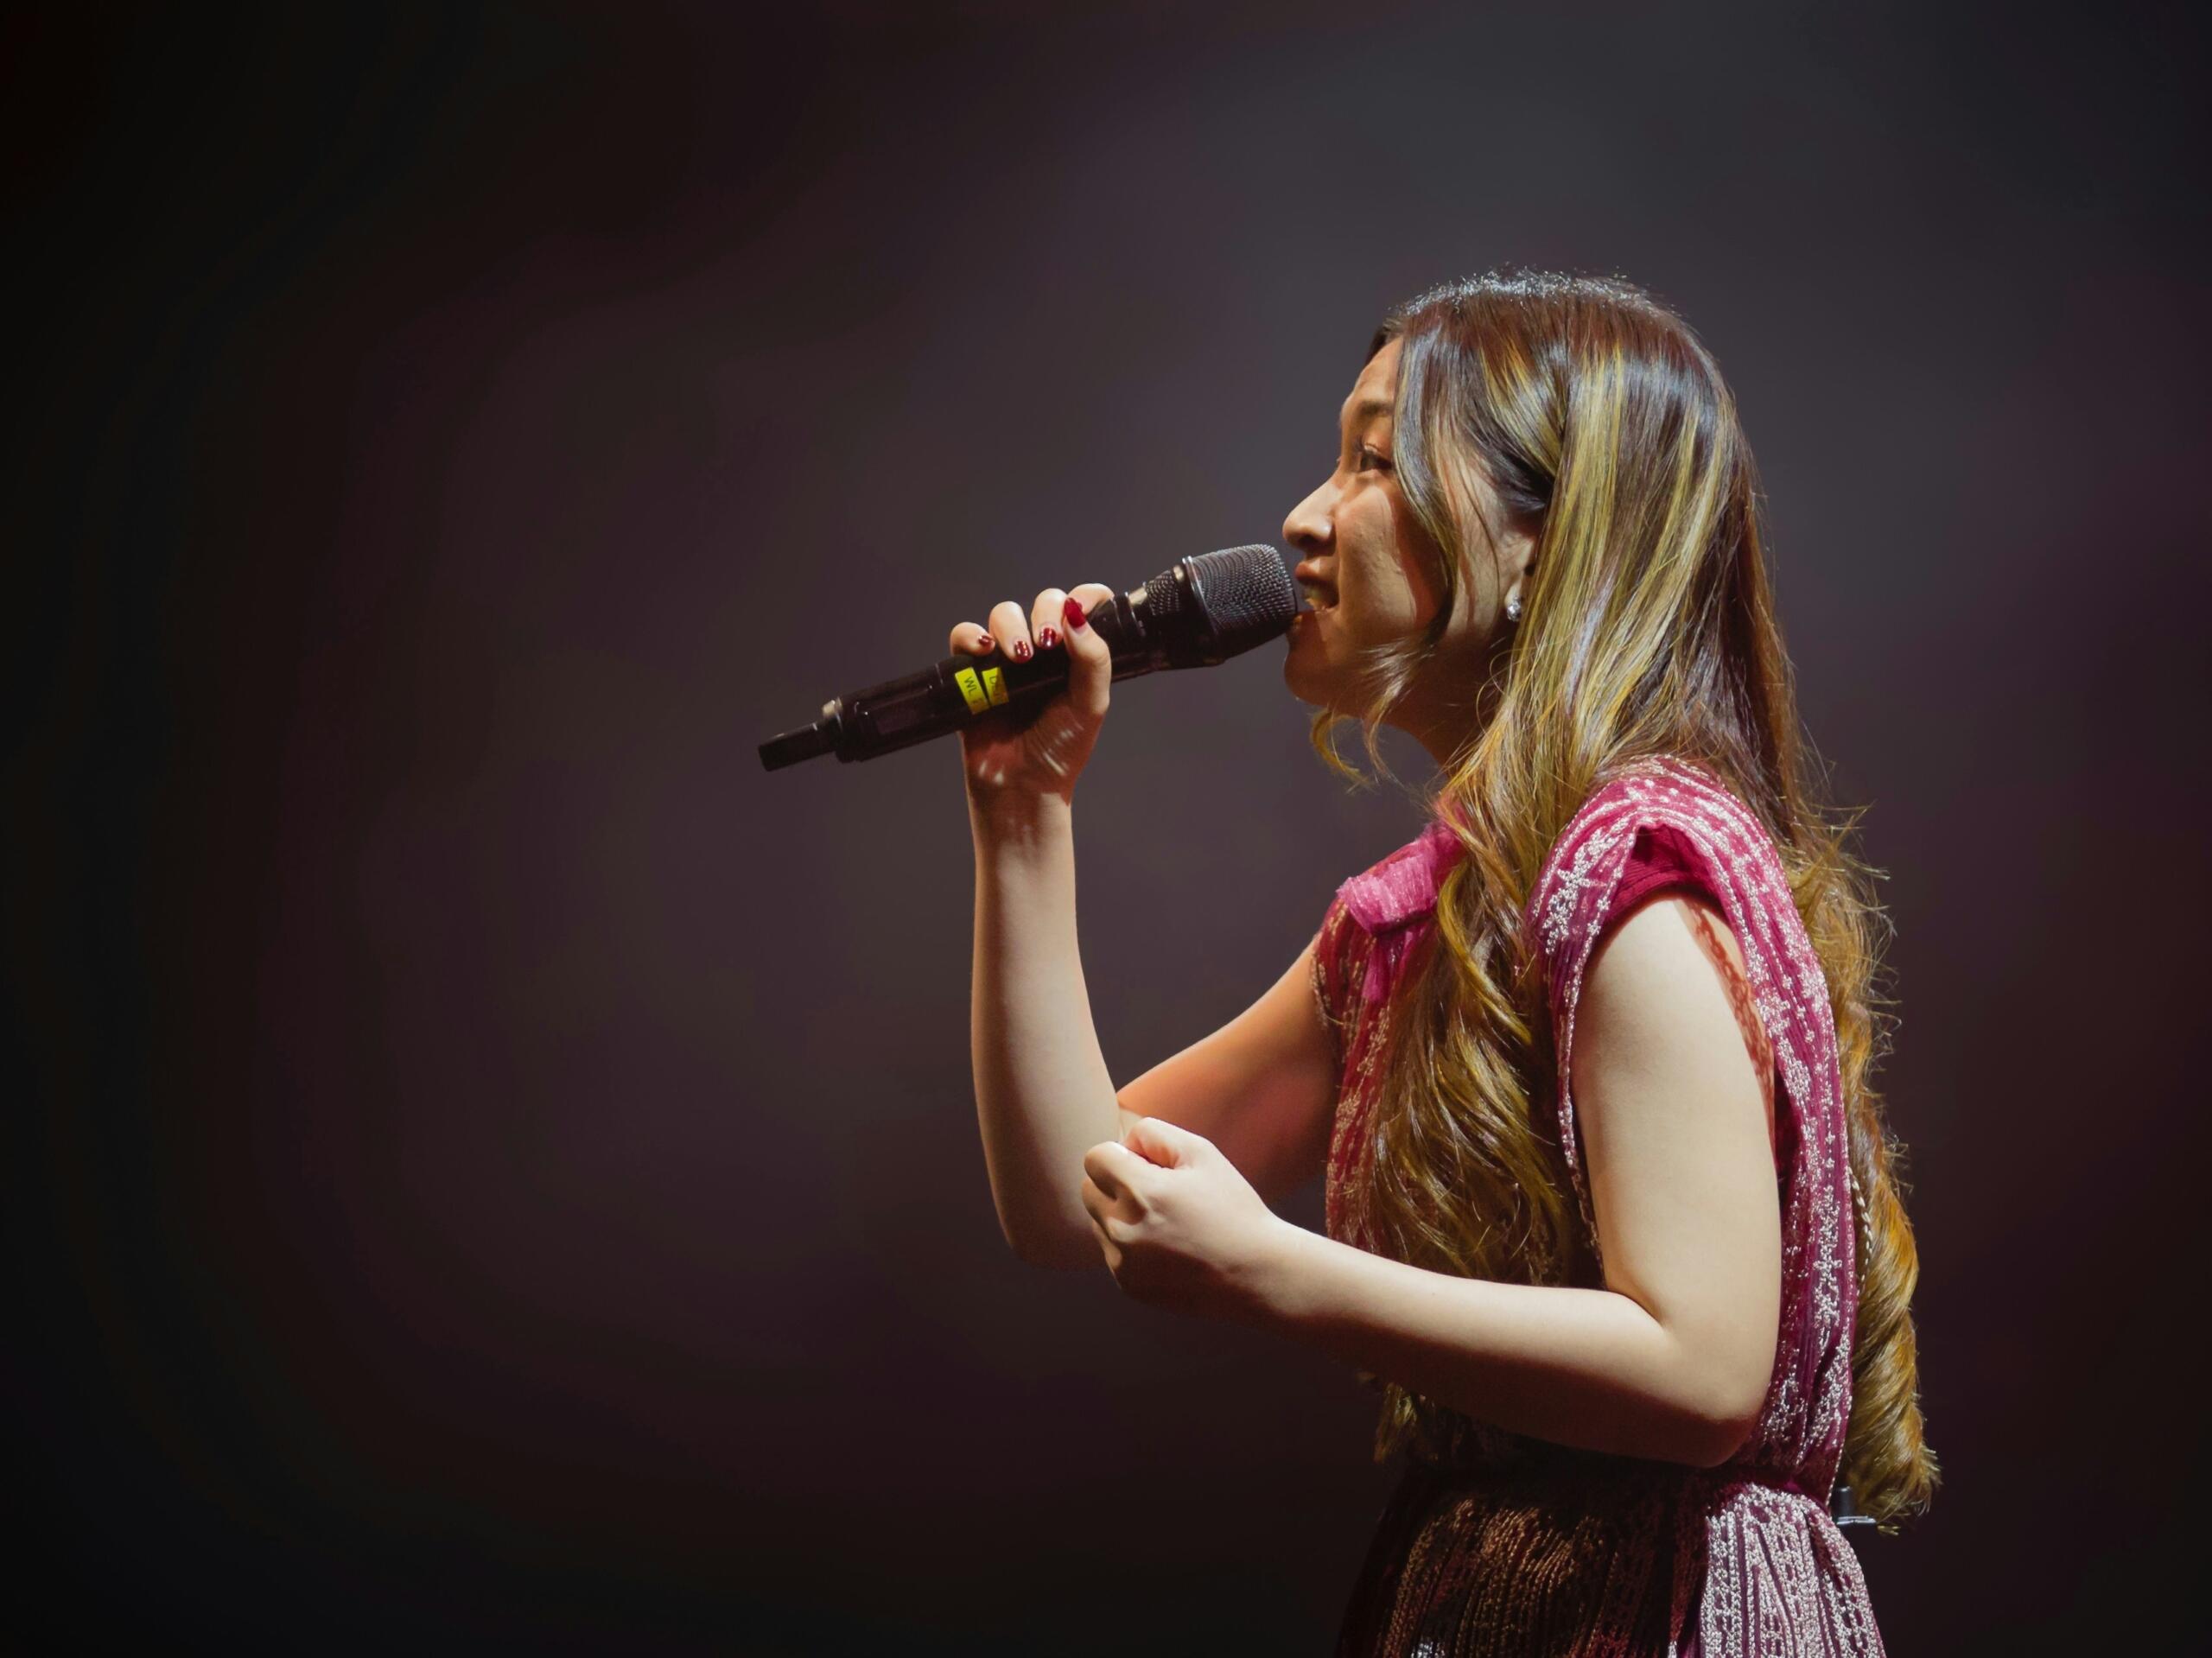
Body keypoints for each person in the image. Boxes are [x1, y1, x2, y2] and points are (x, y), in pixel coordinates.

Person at [950, 270, 1936, 1655]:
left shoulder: (1635, 874)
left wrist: (1273, 1271)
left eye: (1375, 462)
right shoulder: (1428, 918)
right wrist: (1024, 818)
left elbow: (1705, 1367)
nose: (1305, 517)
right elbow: (1077, 1196)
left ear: (1546, 540)